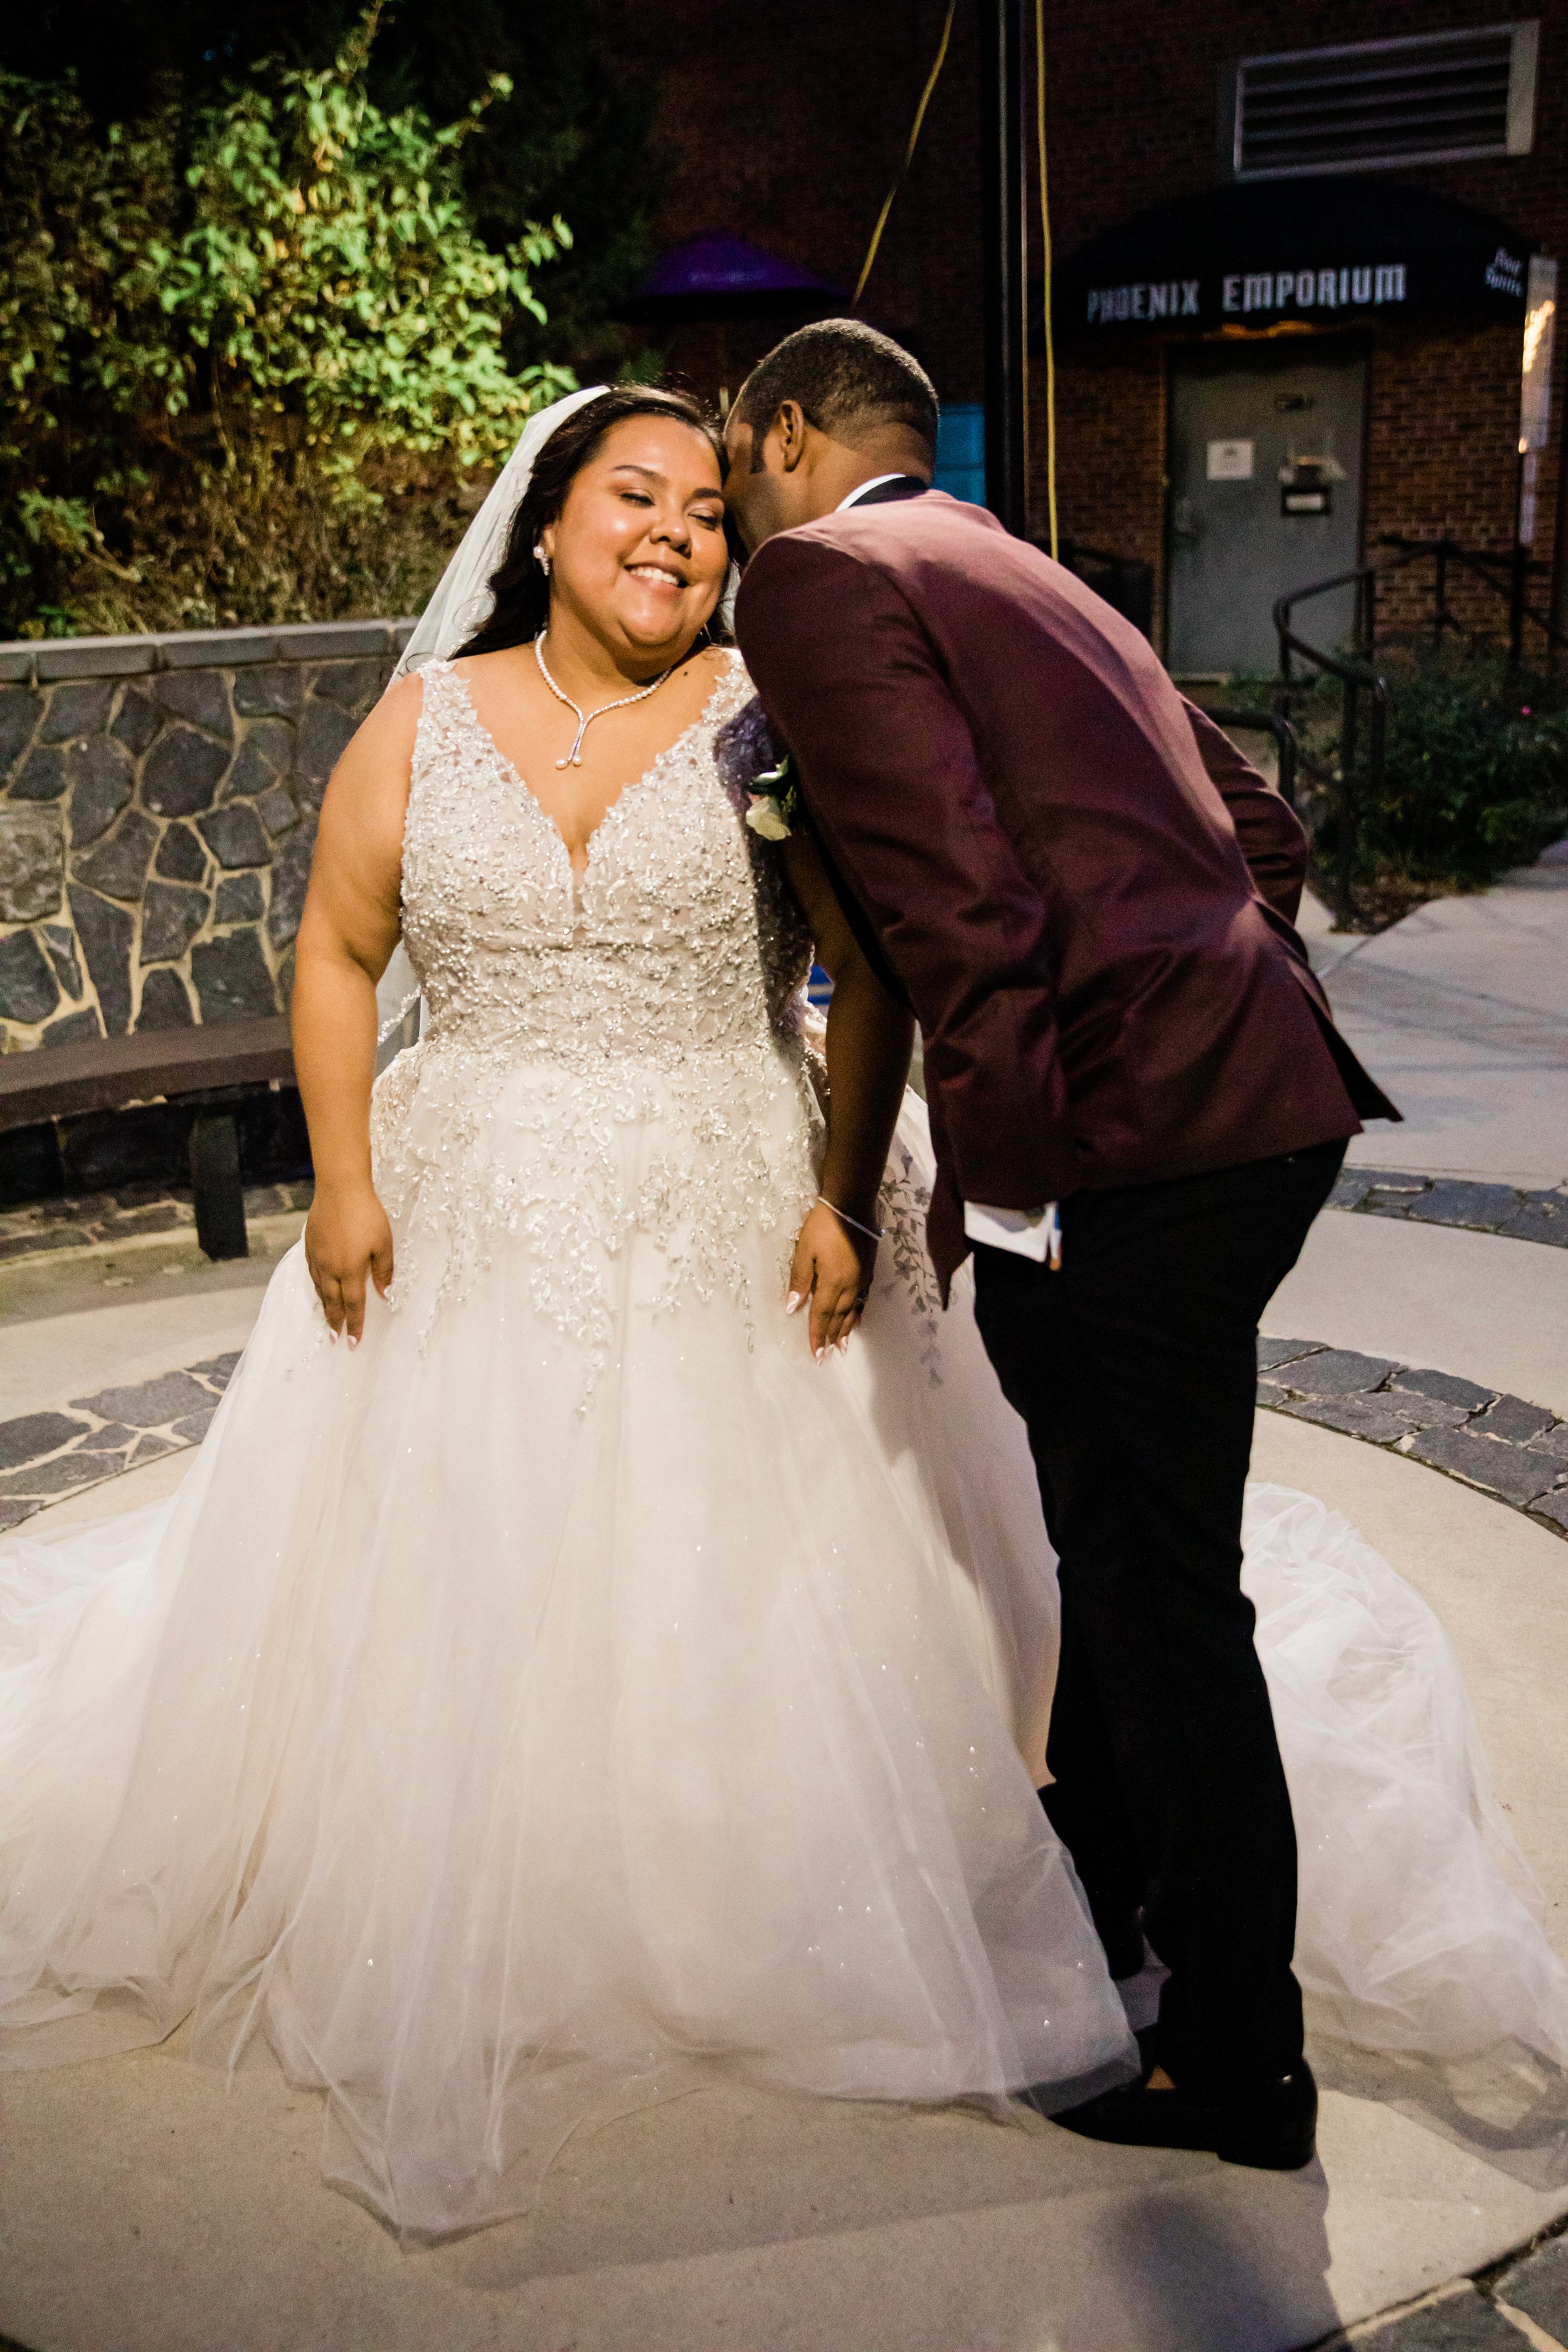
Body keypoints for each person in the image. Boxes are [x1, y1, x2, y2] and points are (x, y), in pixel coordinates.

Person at [1, 381, 1563, 2245]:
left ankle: (928, 1921)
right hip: (469, 1186)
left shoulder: (768, 710)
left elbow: (894, 959)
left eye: (704, 508)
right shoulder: (421, 719)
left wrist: (851, 1193)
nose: (671, 529)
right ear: (547, 521)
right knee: (460, 1567)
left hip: (734, 1180)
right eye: (629, 495)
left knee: (814, 1574)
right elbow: (338, 949)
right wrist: (339, 1173)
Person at [717, 318, 1526, 2168]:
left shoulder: (823, 576)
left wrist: (1010, 1189)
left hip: (1119, 1151)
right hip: (1254, 1106)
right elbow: (1261, 824)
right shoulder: (1015, 561)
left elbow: (958, 908)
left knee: (1163, 1602)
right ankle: (1118, 1914)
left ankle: (1235, 2063)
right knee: (1128, 1563)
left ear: (776, 437)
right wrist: (1209, 997)